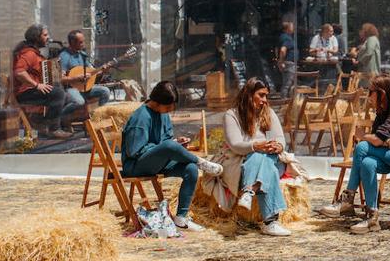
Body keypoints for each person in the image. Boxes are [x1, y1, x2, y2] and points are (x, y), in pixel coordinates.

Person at [319, 75, 390, 232]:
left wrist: (366, 136)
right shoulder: (385, 106)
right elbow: (379, 137)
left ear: (382, 93)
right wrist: (389, 141)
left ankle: (348, 199)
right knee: (367, 162)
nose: (368, 96)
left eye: (370, 92)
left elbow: (375, 139)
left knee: (362, 147)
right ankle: (372, 217)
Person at [122, 81, 223, 230]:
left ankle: (181, 218)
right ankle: (201, 162)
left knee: (190, 169)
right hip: (136, 165)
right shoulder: (141, 118)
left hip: (157, 162)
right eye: (168, 107)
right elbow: (134, 150)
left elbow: (166, 141)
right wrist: (167, 148)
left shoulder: (162, 113)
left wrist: (176, 144)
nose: (170, 110)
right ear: (156, 102)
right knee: (171, 147)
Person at [201, 78, 292, 236]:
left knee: (266, 158)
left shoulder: (268, 113)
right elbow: (235, 144)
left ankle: (249, 191)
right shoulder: (232, 115)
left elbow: (280, 138)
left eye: (266, 96)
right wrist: (255, 146)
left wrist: (278, 146)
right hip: (244, 162)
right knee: (261, 159)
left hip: (273, 159)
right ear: (249, 94)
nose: (264, 100)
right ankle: (271, 222)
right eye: (261, 95)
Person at [13, 24, 82, 138]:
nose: (48, 37)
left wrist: (58, 73)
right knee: (58, 94)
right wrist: (37, 85)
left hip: (31, 91)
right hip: (24, 93)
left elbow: (39, 72)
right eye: (45, 35)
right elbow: (19, 72)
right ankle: (53, 129)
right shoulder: (29, 53)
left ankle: (42, 123)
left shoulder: (35, 53)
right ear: (36, 37)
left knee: (67, 96)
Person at [58, 29, 112, 109]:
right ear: (72, 42)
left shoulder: (82, 55)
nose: (83, 44)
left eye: (83, 41)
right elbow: (60, 79)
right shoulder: (64, 56)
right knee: (79, 102)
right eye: (81, 42)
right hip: (70, 89)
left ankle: (98, 116)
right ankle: (60, 117)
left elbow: (91, 72)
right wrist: (77, 78)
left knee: (105, 91)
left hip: (84, 87)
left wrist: (103, 71)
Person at [277, 21, 297, 96]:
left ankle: (289, 101)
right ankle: (284, 101)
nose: (294, 28)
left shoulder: (284, 37)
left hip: (288, 63)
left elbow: (277, 49)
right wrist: (281, 61)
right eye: (292, 27)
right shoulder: (287, 38)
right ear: (287, 28)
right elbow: (282, 50)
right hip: (289, 63)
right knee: (287, 84)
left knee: (289, 83)